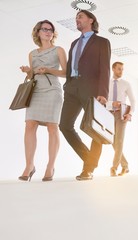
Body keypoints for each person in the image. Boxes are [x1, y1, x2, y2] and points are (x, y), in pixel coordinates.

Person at [59, 10, 111, 181]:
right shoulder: (74, 43)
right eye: (76, 18)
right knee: (65, 126)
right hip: (72, 87)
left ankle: (88, 169)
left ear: (91, 20)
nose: (77, 20)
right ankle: (90, 159)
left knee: (95, 129)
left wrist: (103, 92)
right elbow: (70, 67)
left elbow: (105, 68)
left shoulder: (102, 42)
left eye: (80, 17)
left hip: (91, 89)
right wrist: (67, 84)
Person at [18, 20, 67, 182]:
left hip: (52, 90)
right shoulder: (32, 53)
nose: (48, 32)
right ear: (38, 32)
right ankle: (29, 165)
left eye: (50, 30)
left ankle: (50, 166)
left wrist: (48, 70)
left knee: (52, 127)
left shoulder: (58, 50)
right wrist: (28, 72)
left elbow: (66, 73)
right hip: (36, 91)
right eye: (44, 29)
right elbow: (32, 76)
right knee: (30, 125)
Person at [106, 62, 135, 177]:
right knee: (112, 141)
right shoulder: (106, 83)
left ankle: (114, 167)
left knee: (119, 141)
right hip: (108, 114)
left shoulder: (126, 84)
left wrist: (130, 114)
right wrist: (111, 103)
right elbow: (102, 100)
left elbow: (133, 101)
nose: (121, 72)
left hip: (122, 114)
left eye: (122, 69)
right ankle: (125, 165)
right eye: (119, 69)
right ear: (113, 69)